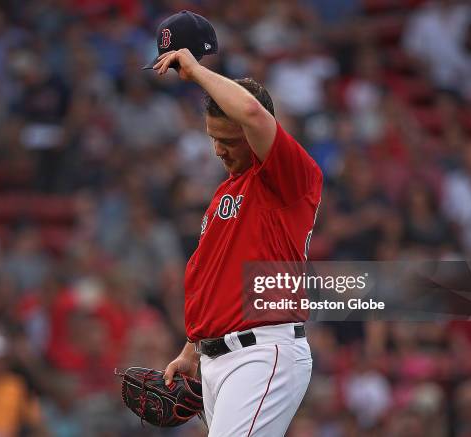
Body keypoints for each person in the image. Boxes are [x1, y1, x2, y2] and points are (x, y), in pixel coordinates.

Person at [150, 13, 323, 436]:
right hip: (217, 360)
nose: (217, 150)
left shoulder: (289, 179)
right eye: (213, 138)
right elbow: (215, 278)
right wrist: (192, 349)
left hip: (262, 353)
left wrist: (196, 71)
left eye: (228, 141)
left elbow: (250, 111)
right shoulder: (226, 193)